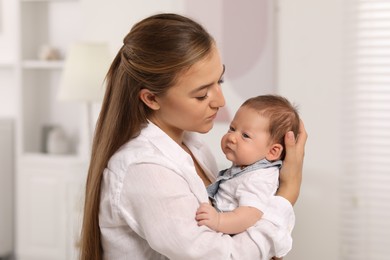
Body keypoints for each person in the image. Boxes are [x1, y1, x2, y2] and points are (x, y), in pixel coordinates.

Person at [79, 13, 307, 260]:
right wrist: (287, 194)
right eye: (202, 95)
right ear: (152, 98)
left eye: (218, 81)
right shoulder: (145, 169)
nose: (220, 101)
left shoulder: (193, 147)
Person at [196, 95, 300, 237]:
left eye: (245, 135)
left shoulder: (258, 178)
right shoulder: (247, 169)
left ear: (273, 151)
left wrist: (218, 220)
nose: (232, 137)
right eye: (232, 128)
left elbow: (250, 214)